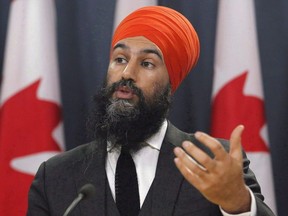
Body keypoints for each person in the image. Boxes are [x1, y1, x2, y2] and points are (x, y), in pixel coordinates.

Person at [27, 6, 275, 216]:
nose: (126, 74)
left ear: (171, 83)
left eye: (146, 63)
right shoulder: (55, 176)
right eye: (120, 59)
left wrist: (238, 203)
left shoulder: (211, 162)